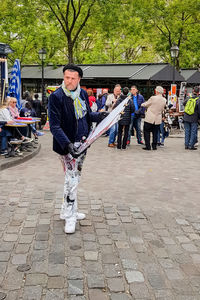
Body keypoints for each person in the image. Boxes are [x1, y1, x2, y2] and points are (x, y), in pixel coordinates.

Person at [48, 64, 107, 234]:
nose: (69, 81)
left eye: (73, 78)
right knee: (72, 180)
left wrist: (100, 115)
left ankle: (66, 210)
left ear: (79, 79)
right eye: (67, 77)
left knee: (73, 178)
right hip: (66, 145)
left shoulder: (81, 93)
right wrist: (67, 145)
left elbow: (86, 115)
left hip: (83, 142)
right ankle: (69, 216)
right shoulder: (57, 97)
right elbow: (54, 126)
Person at [141, 86, 166, 150]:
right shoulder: (164, 100)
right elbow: (163, 109)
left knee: (146, 132)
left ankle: (148, 146)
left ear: (156, 91)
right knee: (155, 132)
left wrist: (142, 104)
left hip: (150, 117)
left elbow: (146, 104)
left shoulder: (153, 98)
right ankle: (154, 146)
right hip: (157, 118)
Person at [183, 86, 200, 150]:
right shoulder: (198, 99)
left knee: (187, 131)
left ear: (193, 91)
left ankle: (186, 145)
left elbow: (183, 103)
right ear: (198, 92)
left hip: (186, 117)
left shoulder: (188, 97)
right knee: (193, 132)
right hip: (194, 118)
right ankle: (191, 145)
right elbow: (199, 110)